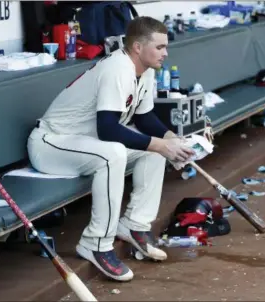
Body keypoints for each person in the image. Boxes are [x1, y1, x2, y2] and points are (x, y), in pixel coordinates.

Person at [27, 16, 195, 282]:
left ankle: (134, 224)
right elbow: (107, 129)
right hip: (52, 143)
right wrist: (161, 144)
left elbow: (144, 118)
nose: (166, 52)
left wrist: (171, 138)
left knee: (153, 149)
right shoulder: (118, 68)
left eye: (166, 46)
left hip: (84, 143)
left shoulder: (146, 70)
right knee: (113, 153)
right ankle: (96, 242)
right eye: (160, 47)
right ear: (138, 47)